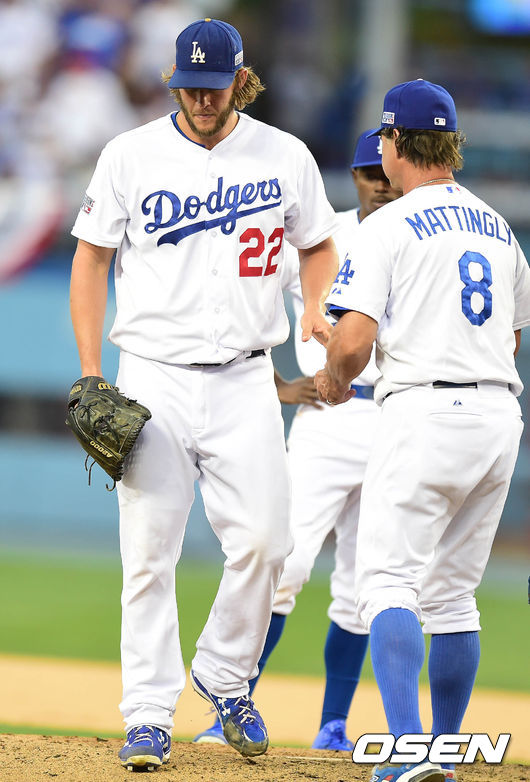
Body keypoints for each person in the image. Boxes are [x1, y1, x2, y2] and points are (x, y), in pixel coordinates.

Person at [68, 17, 338, 772]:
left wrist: (317, 302)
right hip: (154, 373)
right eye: (189, 86)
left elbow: (318, 244)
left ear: (240, 81)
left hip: (247, 374)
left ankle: (223, 673)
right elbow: (90, 261)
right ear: (173, 81)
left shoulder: (285, 155)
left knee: (267, 541)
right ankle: (148, 716)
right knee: (149, 553)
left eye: (214, 86)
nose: (202, 98)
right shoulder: (130, 154)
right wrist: (90, 371)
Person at [315, 79, 530, 782]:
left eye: (384, 136)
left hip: (424, 412)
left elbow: (353, 343)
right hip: (497, 416)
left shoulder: (387, 225)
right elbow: (513, 338)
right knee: (454, 596)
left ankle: (406, 751)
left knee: (388, 583)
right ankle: (444, 751)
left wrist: (334, 378)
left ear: (395, 142)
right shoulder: (498, 226)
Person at [192, 130, 401, 749]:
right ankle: (231, 708)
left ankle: (333, 726)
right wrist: (278, 385)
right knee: (285, 563)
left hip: (395, 417)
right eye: (369, 173)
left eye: (385, 171)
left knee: (365, 585)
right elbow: (244, 296)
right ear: (355, 177)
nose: (380, 183)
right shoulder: (322, 237)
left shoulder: (420, 235)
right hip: (327, 419)